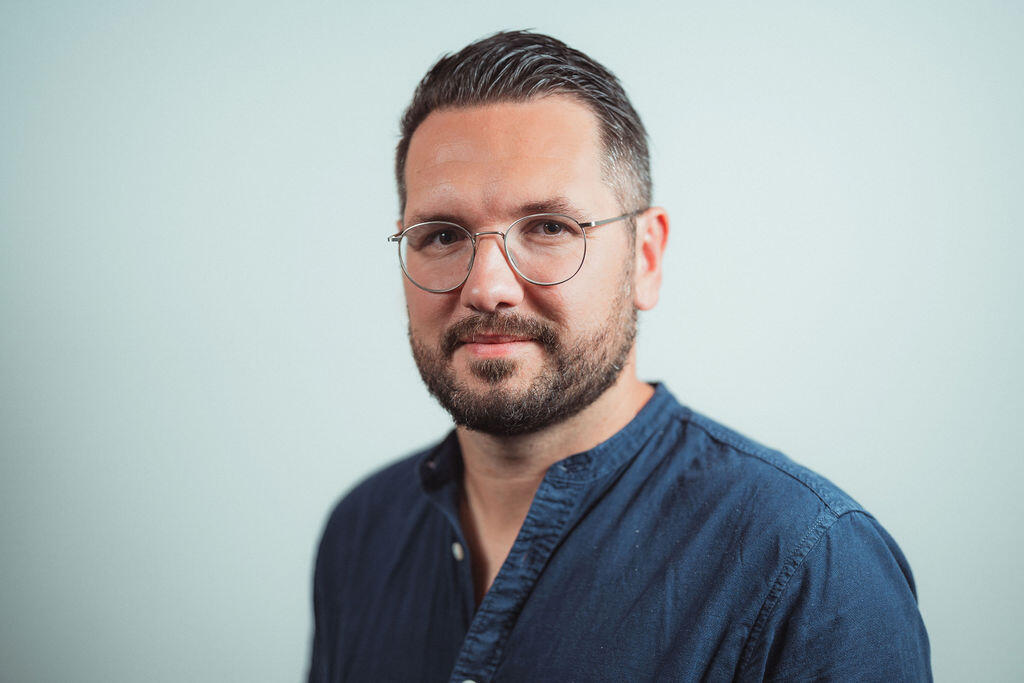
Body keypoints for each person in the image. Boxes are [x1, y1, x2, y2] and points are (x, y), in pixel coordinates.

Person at [308, 30, 931, 682]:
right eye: (441, 235)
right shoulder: (360, 533)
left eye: (549, 227)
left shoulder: (812, 566)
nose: (487, 287)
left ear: (645, 257)